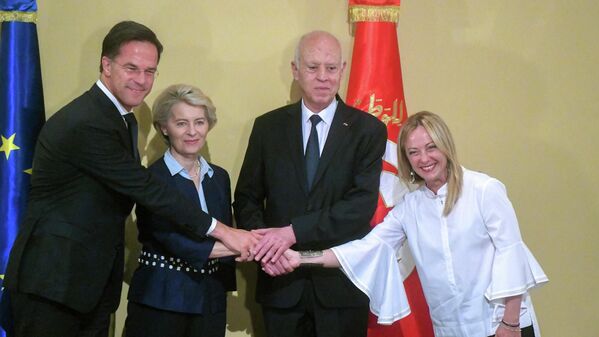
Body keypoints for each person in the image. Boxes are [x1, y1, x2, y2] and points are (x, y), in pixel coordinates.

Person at [1, 21, 255, 337]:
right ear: (106, 65)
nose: (142, 80)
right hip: (53, 285)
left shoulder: (121, 118)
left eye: (150, 71)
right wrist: (224, 231)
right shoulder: (88, 121)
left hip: (86, 287)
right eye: (132, 68)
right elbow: (146, 188)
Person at [270, 111, 549, 337]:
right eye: (414, 152)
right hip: (451, 329)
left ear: (446, 146)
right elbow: (362, 250)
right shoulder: (409, 208)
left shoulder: (485, 190)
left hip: (501, 325)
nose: (424, 159)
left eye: (431, 147)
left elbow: (511, 255)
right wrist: (298, 258)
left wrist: (510, 324)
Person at [233, 30, 387, 337]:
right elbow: (247, 198)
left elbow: (359, 208)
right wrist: (268, 251)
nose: (323, 77)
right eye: (313, 67)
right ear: (295, 70)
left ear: (343, 70)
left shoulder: (368, 130)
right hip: (279, 285)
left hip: (341, 288)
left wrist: (291, 234)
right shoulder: (267, 128)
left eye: (331, 68)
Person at [124, 84, 237, 337]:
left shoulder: (219, 177)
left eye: (199, 122)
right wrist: (245, 245)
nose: (192, 132)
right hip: (162, 301)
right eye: (182, 123)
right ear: (164, 127)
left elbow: (225, 230)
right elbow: (173, 241)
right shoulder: (150, 180)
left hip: (210, 301)